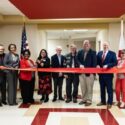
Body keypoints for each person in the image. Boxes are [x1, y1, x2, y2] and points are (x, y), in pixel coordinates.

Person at [97, 42, 117, 109]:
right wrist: (97, 65)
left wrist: (108, 65)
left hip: (108, 75)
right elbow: (97, 62)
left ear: (108, 46)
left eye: (106, 45)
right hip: (101, 75)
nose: (105, 46)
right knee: (102, 89)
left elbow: (115, 63)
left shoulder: (112, 53)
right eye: (104, 45)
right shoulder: (99, 53)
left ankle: (110, 102)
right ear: (103, 46)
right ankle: (103, 101)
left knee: (109, 90)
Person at [77, 40, 97, 106]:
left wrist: (93, 73)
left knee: (89, 87)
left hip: (90, 74)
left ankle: (89, 100)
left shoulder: (93, 52)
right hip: (81, 73)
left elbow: (94, 63)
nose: (86, 45)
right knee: (83, 87)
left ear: (89, 45)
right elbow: (77, 60)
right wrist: (80, 64)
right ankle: (84, 99)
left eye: (87, 44)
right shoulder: (80, 52)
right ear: (83, 45)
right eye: (85, 44)